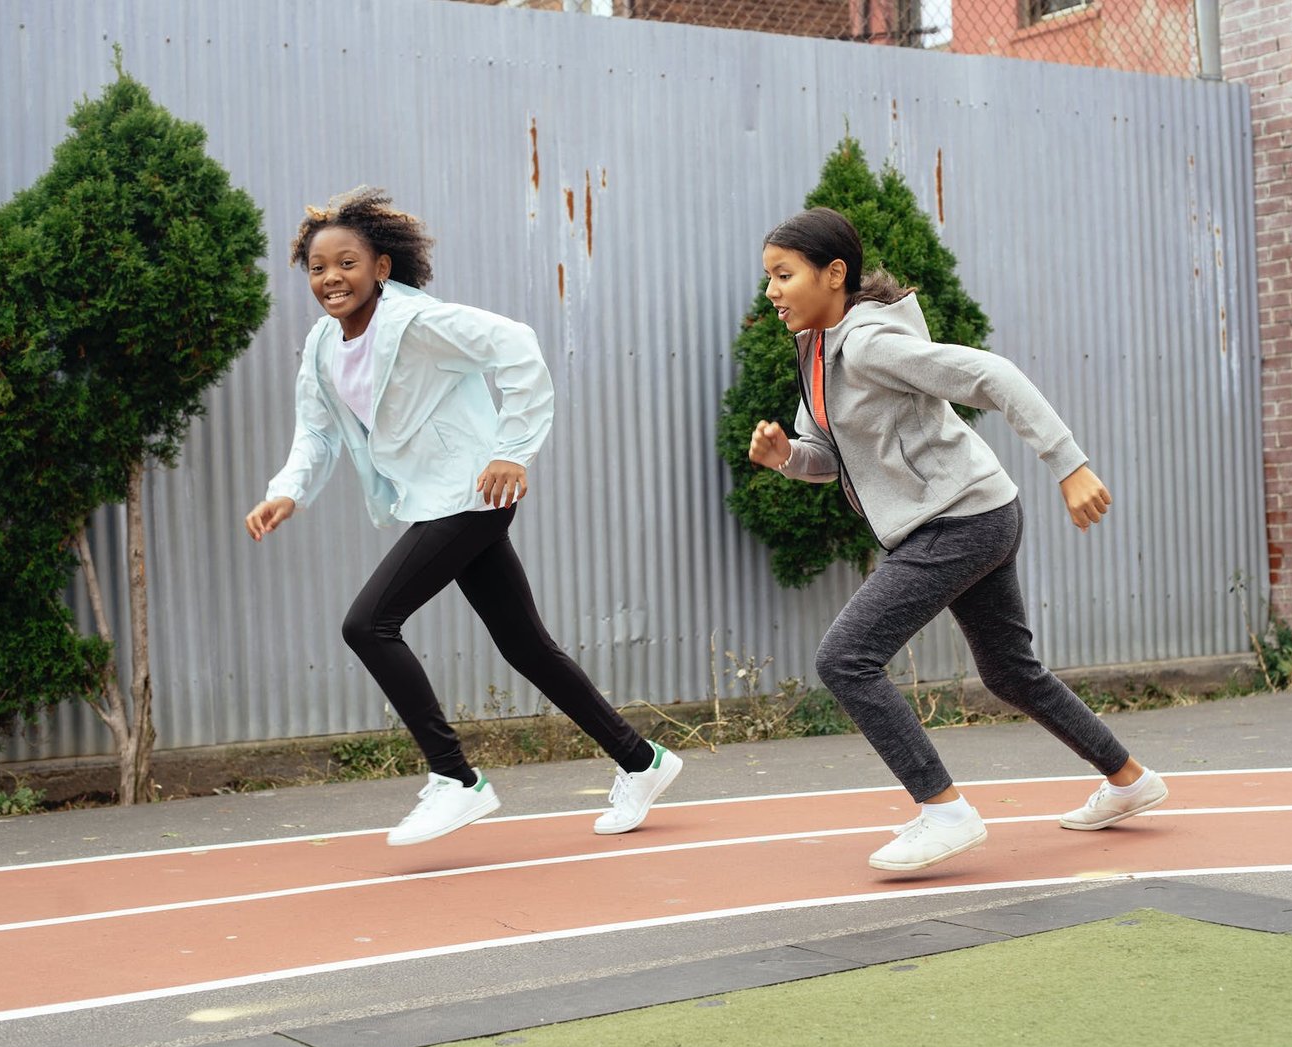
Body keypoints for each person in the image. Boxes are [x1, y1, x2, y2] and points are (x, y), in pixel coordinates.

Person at [245, 187, 681, 846]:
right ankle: (642, 760)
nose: (331, 277)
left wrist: (512, 450)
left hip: (471, 493)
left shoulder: (417, 323)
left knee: (368, 624)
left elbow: (517, 345)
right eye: (317, 267)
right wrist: (288, 491)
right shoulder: (322, 348)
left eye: (347, 263)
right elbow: (317, 432)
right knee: (525, 644)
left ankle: (456, 779)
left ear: (381, 268)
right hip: (434, 499)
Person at [748, 207, 1167, 873]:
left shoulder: (871, 344)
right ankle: (1130, 780)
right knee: (1008, 671)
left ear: (834, 275)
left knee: (846, 658)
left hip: (959, 520)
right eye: (768, 276)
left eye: (783, 274)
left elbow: (992, 376)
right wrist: (785, 457)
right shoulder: (816, 356)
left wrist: (1070, 463)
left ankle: (944, 811)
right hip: (973, 511)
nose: (770, 290)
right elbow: (828, 455)